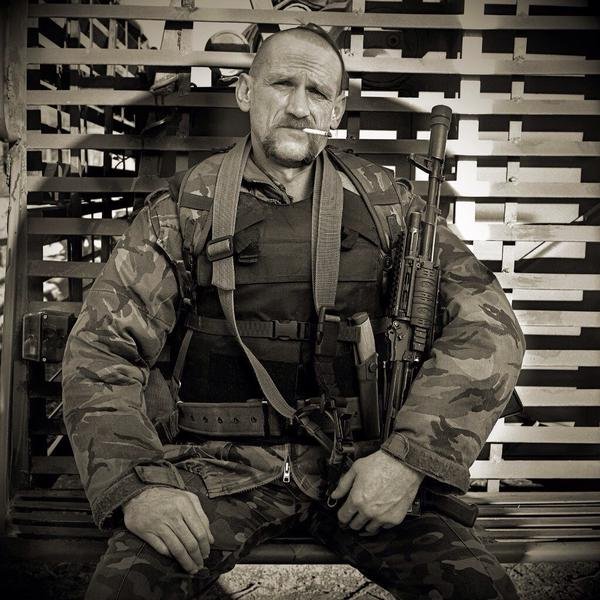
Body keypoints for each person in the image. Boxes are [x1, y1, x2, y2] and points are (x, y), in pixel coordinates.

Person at [63, 24, 525, 600]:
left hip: (361, 472)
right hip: (215, 470)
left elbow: (489, 328)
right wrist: (138, 485)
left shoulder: (388, 206)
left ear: (337, 109)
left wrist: (408, 461)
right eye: (282, 84)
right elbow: (102, 349)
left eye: (317, 92)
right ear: (246, 92)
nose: (299, 107)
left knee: (481, 590)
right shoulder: (185, 208)